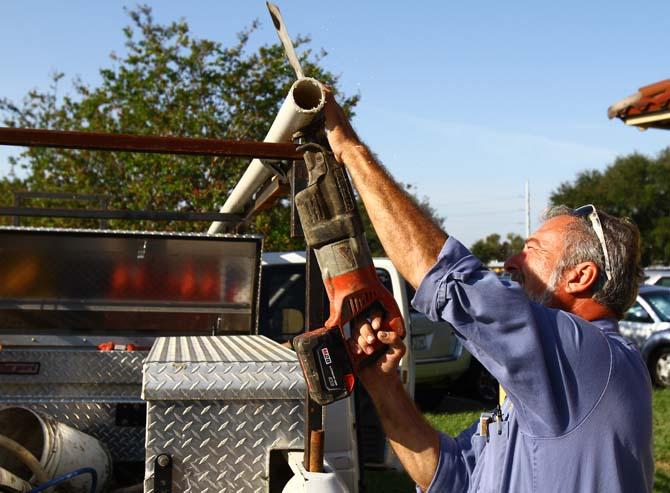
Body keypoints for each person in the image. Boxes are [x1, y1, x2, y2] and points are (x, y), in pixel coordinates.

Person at [321, 87, 654, 492]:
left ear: (580, 277)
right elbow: (451, 474)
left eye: (531, 251)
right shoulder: (548, 385)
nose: (512, 262)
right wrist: (381, 383)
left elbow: (450, 281)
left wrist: (350, 150)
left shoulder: (592, 357)